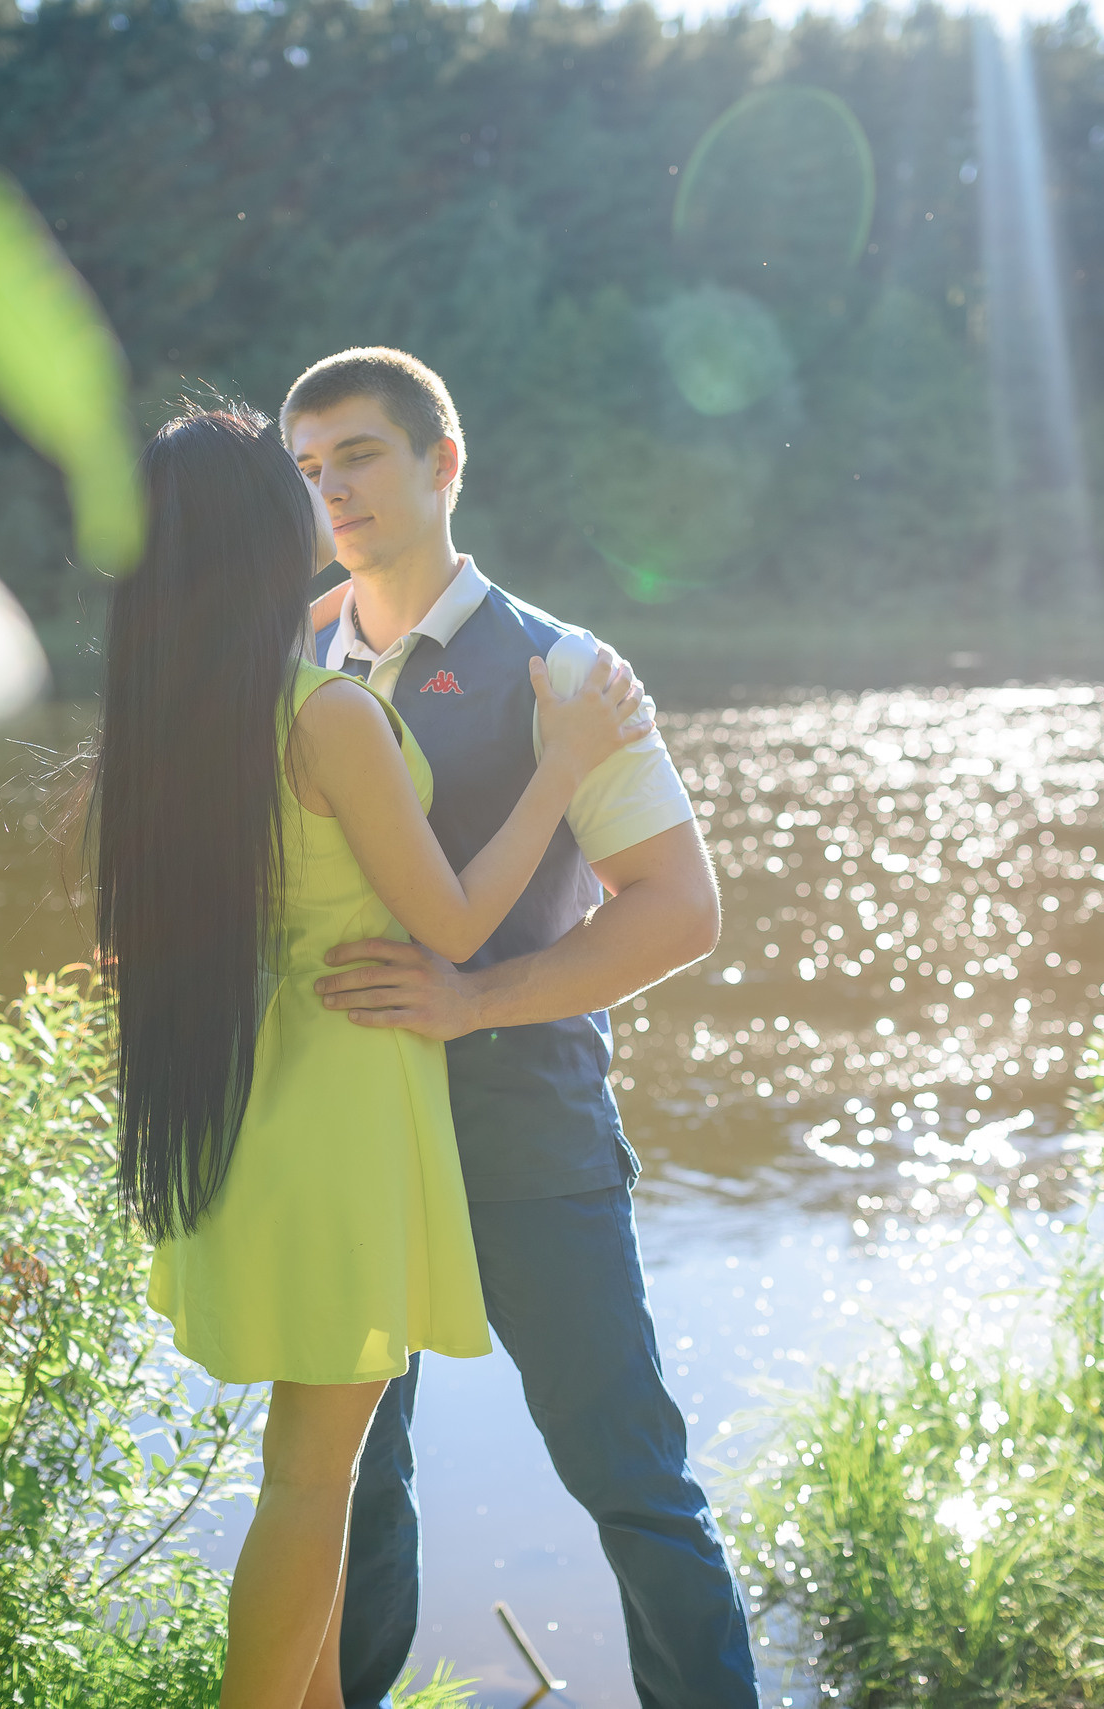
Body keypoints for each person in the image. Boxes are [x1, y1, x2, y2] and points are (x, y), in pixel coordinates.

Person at [92, 406, 650, 1709]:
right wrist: (563, 762)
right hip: (345, 1102)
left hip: (256, 1100)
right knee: (312, 1476)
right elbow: (452, 923)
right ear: (259, 539)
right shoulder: (323, 713)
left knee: (315, 1470)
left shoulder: (175, 718)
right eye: (296, 485)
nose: (320, 500)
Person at [284, 349, 760, 1707]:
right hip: (344, 1143)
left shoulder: (565, 670)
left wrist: (477, 997)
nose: (334, 491)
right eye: (310, 470)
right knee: (352, 1486)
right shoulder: (295, 657)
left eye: (360, 455)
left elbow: (680, 909)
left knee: (633, 1483)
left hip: (527, 1134)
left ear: (444, 463)